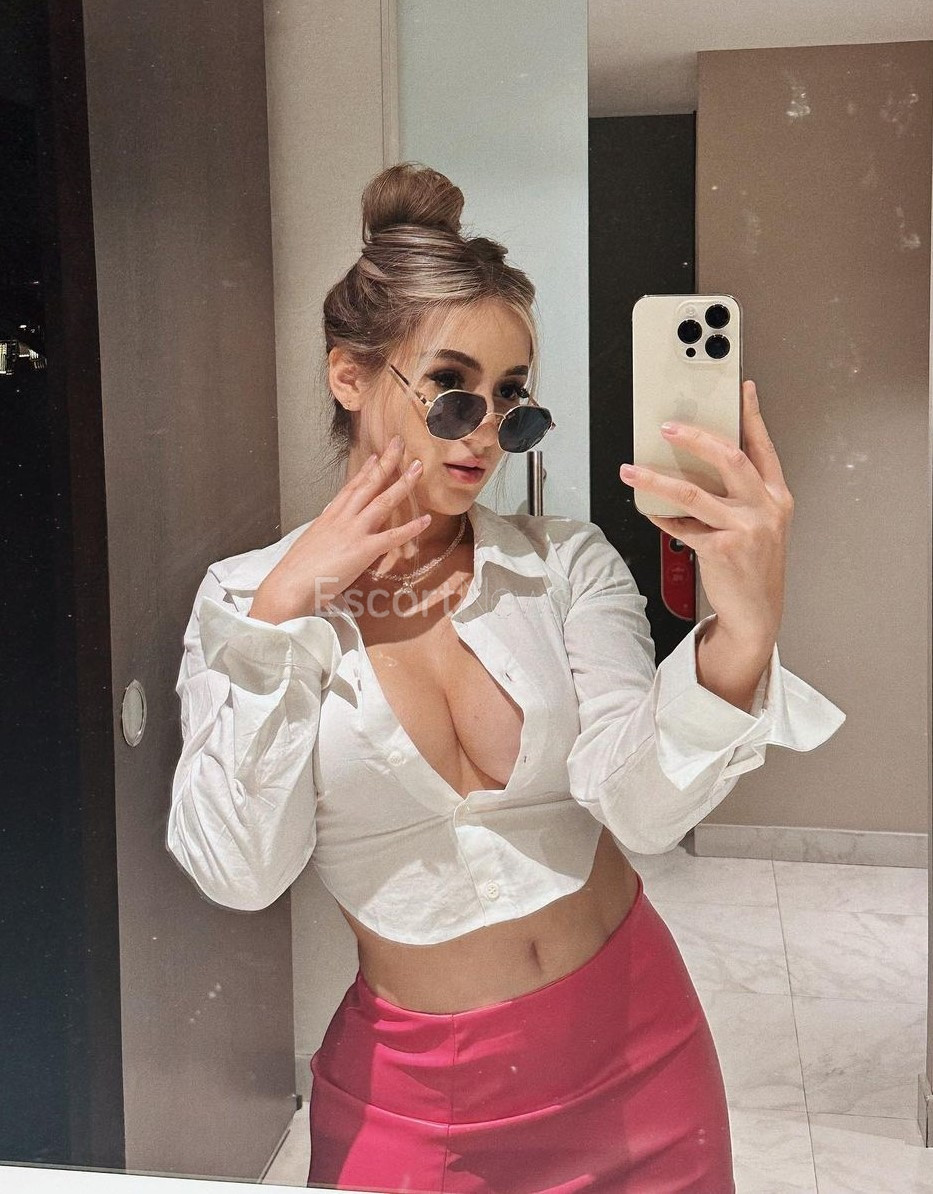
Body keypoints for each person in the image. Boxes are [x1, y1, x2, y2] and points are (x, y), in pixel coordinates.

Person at [166, 162, 846, 1193]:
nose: (485, 429)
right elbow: (240, 873)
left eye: (512, 399)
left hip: (637, 1053)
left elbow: (640, 810)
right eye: (451, 389)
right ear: (349, 376)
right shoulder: (244, 601)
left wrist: (741, 638)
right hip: (416, 1096)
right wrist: (282, 616)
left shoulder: (563, 565)